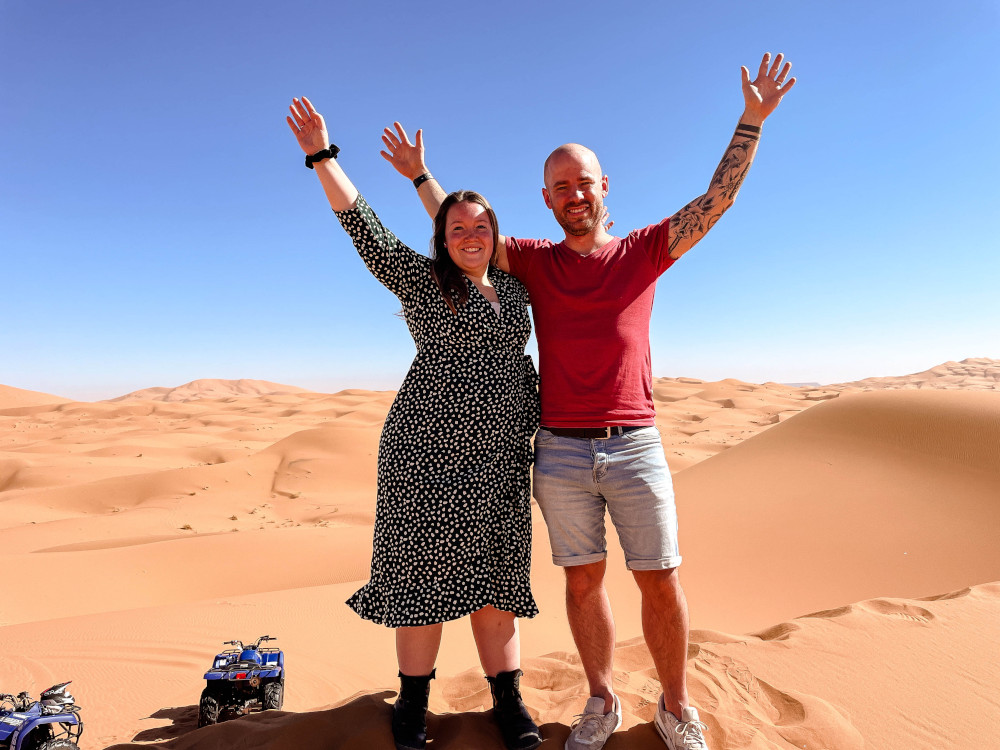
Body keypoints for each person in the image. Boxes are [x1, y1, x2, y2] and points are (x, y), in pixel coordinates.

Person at [380, 53, 797, 750]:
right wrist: (422, 177)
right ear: (546, 199)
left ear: (605, 186)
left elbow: (714, 201)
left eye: (582, 182)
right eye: (559, 186)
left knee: (660, 580)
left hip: (635, 441)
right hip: (561, 449)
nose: (573, 194)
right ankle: (601, 702)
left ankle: (676, 706)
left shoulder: (643, 250)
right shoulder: (536, 260)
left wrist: (750, 121)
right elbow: (466, 234)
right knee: (582, 583)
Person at [286, 96, 544, 750]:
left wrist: (424, 178)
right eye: (456, 229)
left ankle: (509, 707)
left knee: (496, 583)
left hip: (502, 458)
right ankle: (412, 707)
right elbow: (361, 223)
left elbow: (462, 220)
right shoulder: (422, 280)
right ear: (442, 238)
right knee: (422, 585)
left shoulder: (515, 285)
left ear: (494, 232)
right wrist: (322, 155)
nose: (469, 235)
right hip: (425, 456)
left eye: (480, 226)